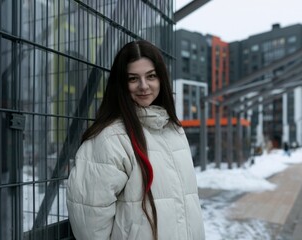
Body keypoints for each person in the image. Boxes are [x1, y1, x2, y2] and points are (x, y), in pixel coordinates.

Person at [66, 40, 205, 240]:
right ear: (121, 84)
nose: (144, 86)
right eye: (133, 78)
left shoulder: (174, 130)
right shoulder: (110, 139)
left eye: (151, 76)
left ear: (161, 79)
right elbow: (90, 220)